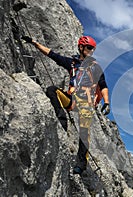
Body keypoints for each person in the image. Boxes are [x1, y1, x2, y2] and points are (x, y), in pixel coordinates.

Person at [21, 35, 110, 175]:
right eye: (89, 47)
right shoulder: (72, 64)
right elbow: (52, 55)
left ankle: (81, 164)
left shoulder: (95, 68)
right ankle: (62, 119)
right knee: (52, 90)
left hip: (86, 104)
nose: (91, 51)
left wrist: (106, 102)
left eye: (93, 48)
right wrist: (34, 43)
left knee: (84, 133)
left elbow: (103, 85)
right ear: (81, 47)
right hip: (72, 100)